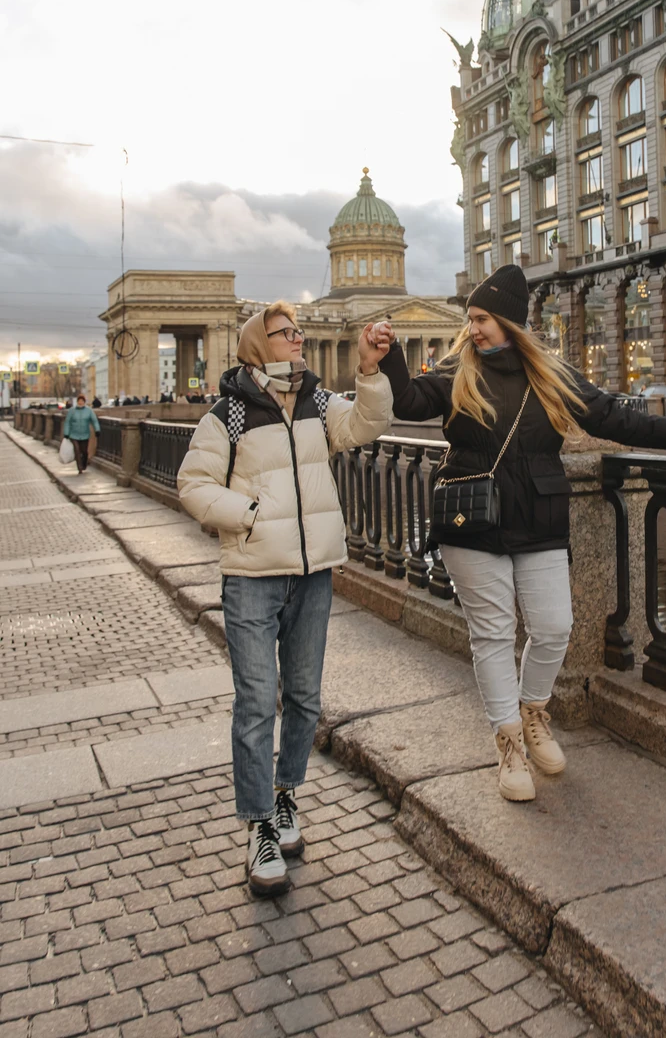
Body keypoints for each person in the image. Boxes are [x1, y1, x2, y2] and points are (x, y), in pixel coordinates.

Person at [374, 264, 666, 804]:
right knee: (491, 634)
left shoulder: (552, 375)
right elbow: (407, 402)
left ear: (511, 322)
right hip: (472, 520)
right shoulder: (455, 371)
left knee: (555, 626)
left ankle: (535, 713)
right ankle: (509, 743)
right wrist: (389, 357)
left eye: (483, 319)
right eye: (471, 319)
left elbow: (608, 417)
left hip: (538, 516)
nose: (475, 328)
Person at [177, 300, 393, 897]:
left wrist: (370, 371)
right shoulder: (228, 415)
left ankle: (285, 797)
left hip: (313, 573)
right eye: (284, 334)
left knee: (303, 698)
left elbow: (368, 425)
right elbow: (192, 483)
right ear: (256, 346)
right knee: (255, 703)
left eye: (299, 332)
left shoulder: (320, 404)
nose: (298, 340)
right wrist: (248, 517)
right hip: (251, 577)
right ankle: (257, 829)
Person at [63, 395, 100, 474]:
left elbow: (94, 421)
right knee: (77, 450)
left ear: (84, 402)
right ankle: (79, 467)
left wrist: (97, 430)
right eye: (79, 401)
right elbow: (67, 422)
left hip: (85, 434)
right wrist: (66, 433)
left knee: (84, 451)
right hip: (73, 434)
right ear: (77, 402)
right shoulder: (72, 411)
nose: (80, 402)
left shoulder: (89, 411)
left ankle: (84, 464)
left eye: (82, 401)